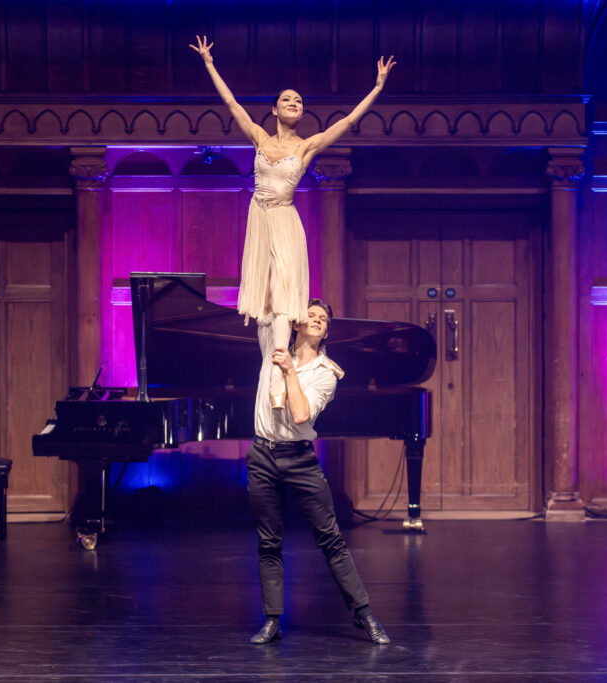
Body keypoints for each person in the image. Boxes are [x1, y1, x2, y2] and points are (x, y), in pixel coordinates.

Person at [190, 35, 395, 408]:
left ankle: (279, 377)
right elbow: (231, 103)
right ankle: (270, 370)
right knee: (266, 302)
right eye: (287, 99)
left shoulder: (307, 145)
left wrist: (377, 87)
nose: (294, 104)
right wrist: (209, 64)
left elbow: (348, 121)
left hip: (284, 220)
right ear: (274, 110)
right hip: (259, 218)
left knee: (285, 296)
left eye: (299, 101)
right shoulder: (258, 137)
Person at [244, 298, 391, 645]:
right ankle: (272, 620)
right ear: (296, 323)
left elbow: (300, 415)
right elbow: (270, 299)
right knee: (269, 542)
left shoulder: (326, 373)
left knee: (331, 539)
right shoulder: (273, 345)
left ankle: (364, 615)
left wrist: (290, 371)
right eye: (309, 315)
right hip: (263, 455)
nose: (316, 320)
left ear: (326, 331)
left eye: (322, 319)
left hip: (300, 460)